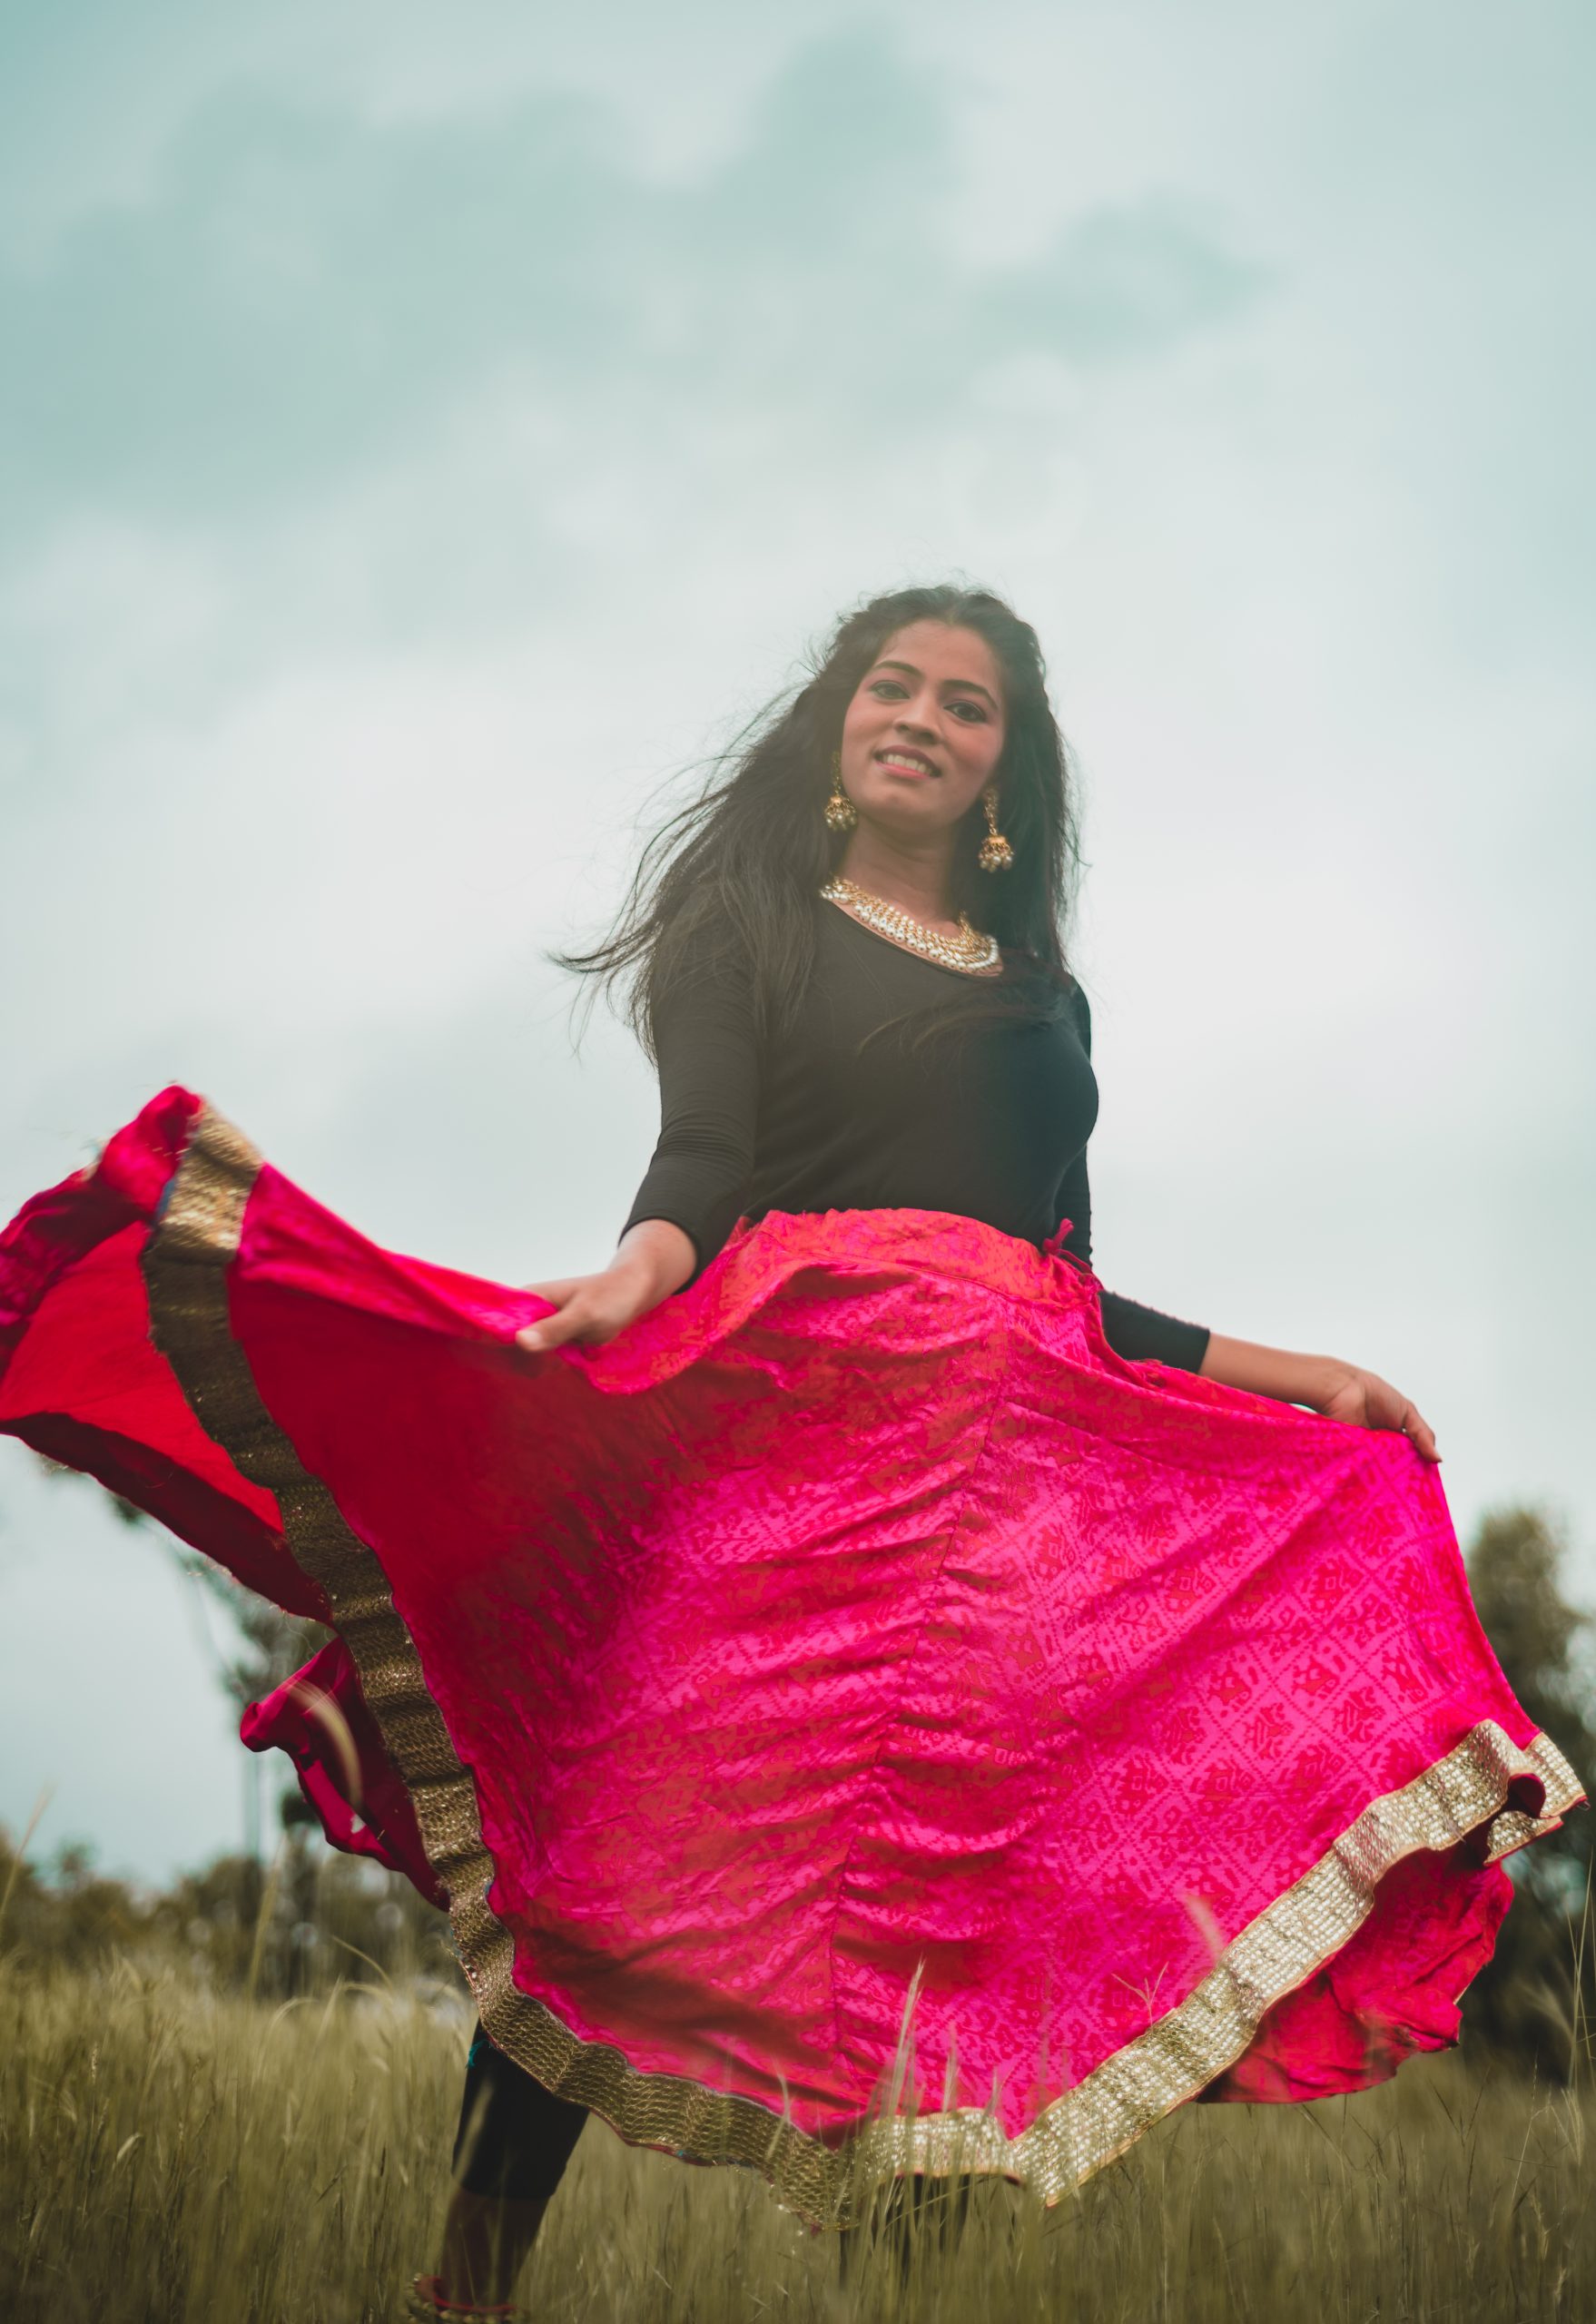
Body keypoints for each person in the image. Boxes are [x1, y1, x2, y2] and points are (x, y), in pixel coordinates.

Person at [0, 587, 1580, 2324]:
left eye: (963, 704)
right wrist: (633, 1276)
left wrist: (1311, 1379)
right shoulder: (742, 921)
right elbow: (699, 1169)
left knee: (948, 1933)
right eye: (887, 686)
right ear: (837, 725)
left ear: (1005, 770)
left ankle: (889, 2299)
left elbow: (1055, 1290)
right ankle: (463, 2293)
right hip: (776, 1455)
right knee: (617, 1859)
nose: (917, 715)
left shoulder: (1049, 1002)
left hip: (994, 1513)